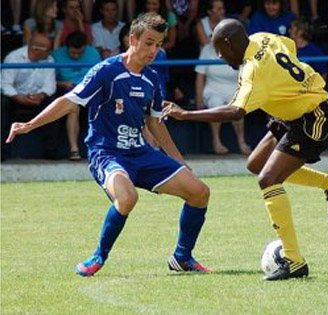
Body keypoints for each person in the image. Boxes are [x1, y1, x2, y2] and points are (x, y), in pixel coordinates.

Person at [6, 13, 211, 276]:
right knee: (127, 198)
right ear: (132, 39)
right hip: (106, 153)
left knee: (200, 192)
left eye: (159, 44)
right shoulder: (106, 71)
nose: (154, 50)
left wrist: (178, 160)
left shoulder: (153, 79)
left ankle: (182, 257)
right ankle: (98, 256)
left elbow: (155, 123)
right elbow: (69, 101)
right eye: (149, 42)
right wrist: (29, 125)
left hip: (140, 153)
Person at [162, 19, 328, 281]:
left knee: (268, 179)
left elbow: (235, 111)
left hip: (313, 117)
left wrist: (185, 114)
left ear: (228, 44)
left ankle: (294, 261)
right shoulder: (264, 37)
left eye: (220, 49)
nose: (219, 56)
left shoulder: (252, 70)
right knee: (256, 165)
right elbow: (291, 48)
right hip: (290, 114)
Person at [1, 33, 60, 160]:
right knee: (3, 104)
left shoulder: (49, 60)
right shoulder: (13, 58)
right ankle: (2, 151)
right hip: (15, 97)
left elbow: (50, 86)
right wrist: (19, 98)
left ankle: (51, 152)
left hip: (38, 98)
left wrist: (41, 95)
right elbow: (5, 85)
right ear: (35, 49)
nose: (51, 53)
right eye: (48, 50)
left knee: (54, 105)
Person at [52, 31, 102, 160]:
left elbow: (100, 78)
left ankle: (101, 148)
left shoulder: (93, 53)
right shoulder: (57, 55)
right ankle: (74, 149)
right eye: (73, 53)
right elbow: (50, 80)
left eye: (80, 53)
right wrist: (62, 83)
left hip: (91, 91)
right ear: (66, 47)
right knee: (73, 107)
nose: (76, 56)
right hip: (68, 91)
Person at [195, 42, 251, 154]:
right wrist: (199, 99)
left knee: (237, 106)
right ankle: (216, 142)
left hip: (234, 88)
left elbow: (247, 74)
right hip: (212, 88)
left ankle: (241, 141)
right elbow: (200, 76)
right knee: (216, 103)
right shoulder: (207, 49)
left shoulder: (239, 48)